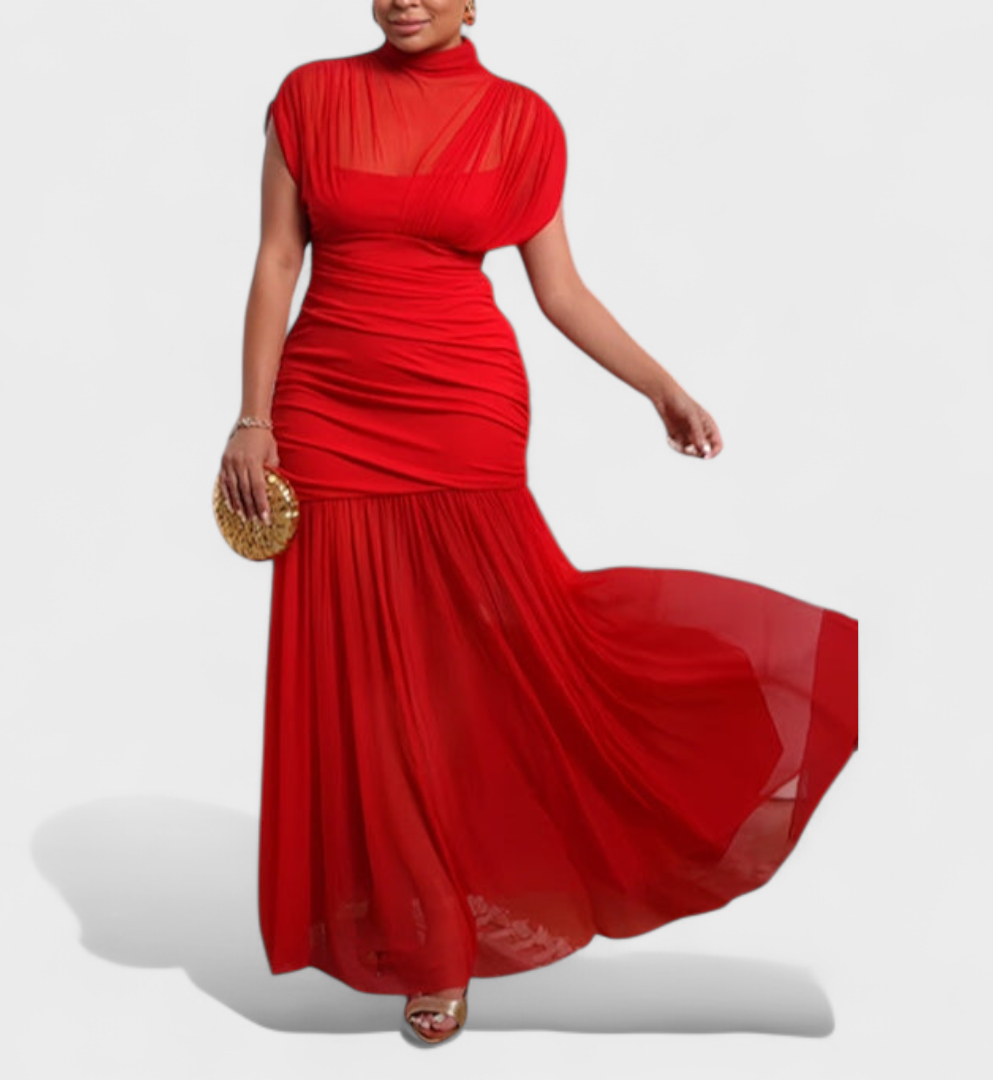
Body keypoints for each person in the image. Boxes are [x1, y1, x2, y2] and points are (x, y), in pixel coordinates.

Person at [218, 0, 859, 1047]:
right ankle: (433, 941)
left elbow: (559, 291)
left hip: (463, 407)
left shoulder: (521, 119)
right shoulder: (310, 96)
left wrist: (661, 387)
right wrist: (252, 419)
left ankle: (744, 713)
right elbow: (277, 263)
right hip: (326, 408)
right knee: (366, 677)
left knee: (488, 659)